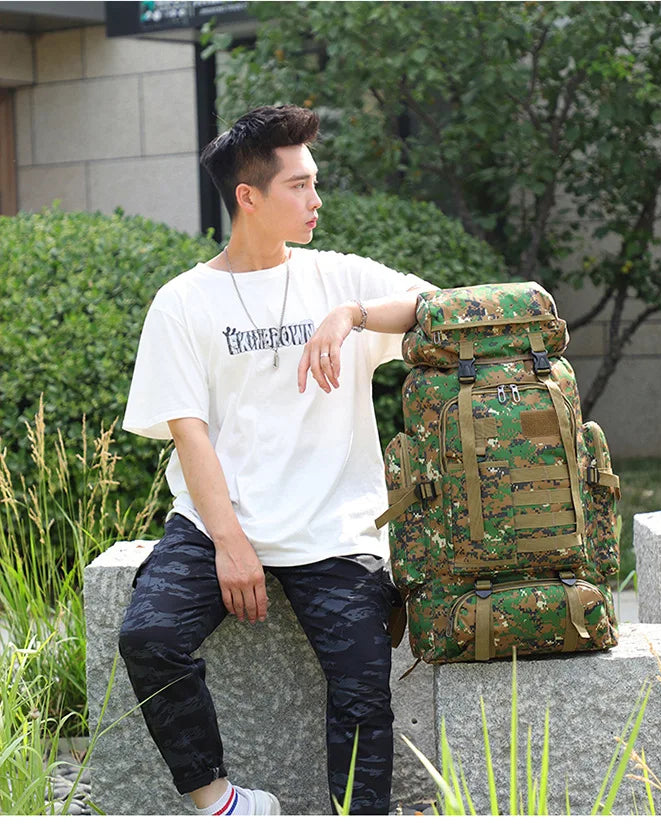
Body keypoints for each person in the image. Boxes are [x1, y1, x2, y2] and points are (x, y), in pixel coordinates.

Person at [118, 104, 434, 816]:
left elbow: (439, 309)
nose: (317, 199)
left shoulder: (340, 278)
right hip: (216, 524)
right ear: (249, 197)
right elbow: (190, 433)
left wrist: (351, 315)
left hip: (334, 528)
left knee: (362, 689)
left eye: (315, 182)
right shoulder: (183, 303)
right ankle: (222, 802)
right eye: (299, 185)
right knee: (149, 637)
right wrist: (230, 542)